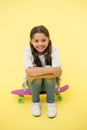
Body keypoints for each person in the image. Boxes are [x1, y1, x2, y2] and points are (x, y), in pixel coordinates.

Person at [24, 25, 62, 118]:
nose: (40, 44)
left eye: (43, 40)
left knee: (37, 71)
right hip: (33, 85)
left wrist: (36, 71)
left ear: (48, 40)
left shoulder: (53, 49)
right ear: (31, 42)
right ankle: (35, 102)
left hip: (49, 85)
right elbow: (29, 72)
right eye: (36, 41)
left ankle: (50, 103)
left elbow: (58, 72)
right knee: (35, 75)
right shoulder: (28, 50)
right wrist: (50, 70)